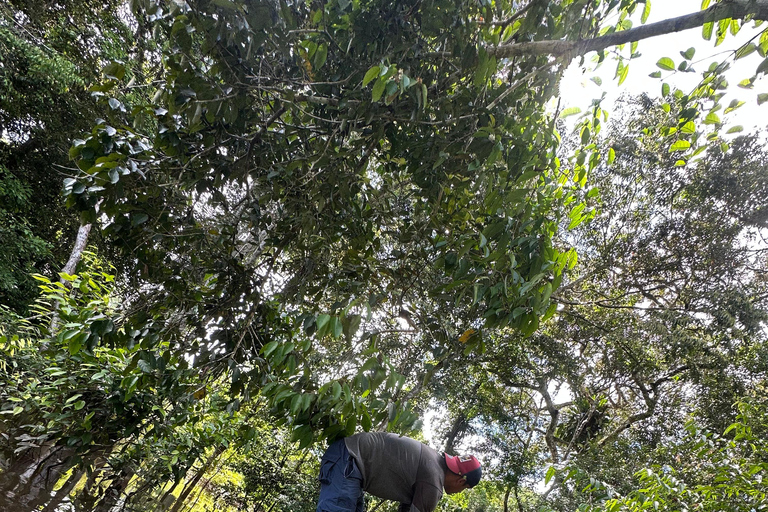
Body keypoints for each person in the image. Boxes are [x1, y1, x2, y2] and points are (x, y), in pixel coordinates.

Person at [316, 431, 482, 512]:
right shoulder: (433, 482)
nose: (458, 492)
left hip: (350, 464)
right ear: (461, 481)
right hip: (348, 461)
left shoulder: (433, 462)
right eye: (464, 488)